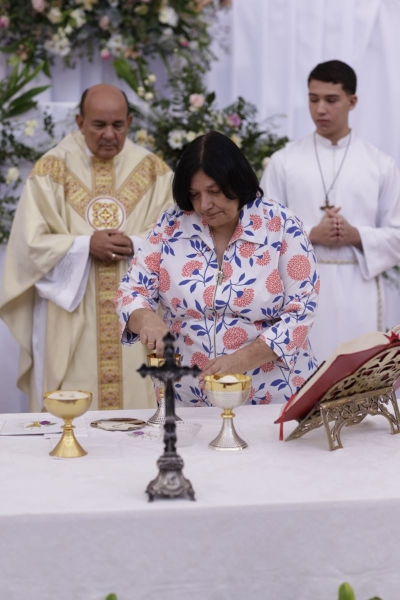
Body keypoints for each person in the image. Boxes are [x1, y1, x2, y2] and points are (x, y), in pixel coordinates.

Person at [0, 84, 174, 411]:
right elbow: (28, 245)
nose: (109, 134)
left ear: (130, 122)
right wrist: (82, 246)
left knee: (139, 410)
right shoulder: (51, 170)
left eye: (118, 125)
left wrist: (136, 243)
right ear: (80, 122)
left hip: (136, 309)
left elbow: (176, 238)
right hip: (72, 317)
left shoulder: (155, 172)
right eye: (98, 125)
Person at [115, 131, 319, 406]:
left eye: (214, 191)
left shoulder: (281, 225)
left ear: (237, 181)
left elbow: (301, 311)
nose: (204, 205)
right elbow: (132, 291)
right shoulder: (170, 226)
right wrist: (145, 318)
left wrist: (240, 360)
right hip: (189, 398)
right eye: (194, 194)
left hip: (272, 395)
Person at [260, 60, 400, 363]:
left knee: (357, 371)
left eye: (331, 100)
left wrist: (356, 235)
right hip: (299, 288)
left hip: (359, 288)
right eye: (313, 99)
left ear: (352, 101)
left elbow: (397, 234)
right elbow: (262, 228)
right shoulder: (284, 162)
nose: (320, 109)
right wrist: (311, 234)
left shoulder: (380, 164)